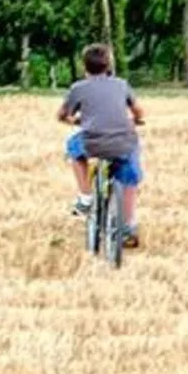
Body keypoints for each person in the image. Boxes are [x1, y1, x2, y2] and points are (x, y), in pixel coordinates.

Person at [58, 42, 146, 248]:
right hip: (122, 140)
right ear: (109, 66)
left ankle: (86, 197)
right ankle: (128, 225)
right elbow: (139, 112)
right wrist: (134, 121)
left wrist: (76, 121)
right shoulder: (122, 85)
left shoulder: (78, 88)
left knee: (73, 148)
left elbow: (63, 114)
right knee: (130, 175)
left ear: (84, 66)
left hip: (92, 142)